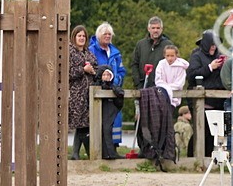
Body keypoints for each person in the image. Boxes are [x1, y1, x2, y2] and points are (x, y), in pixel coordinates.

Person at [89, 22, 126, 160]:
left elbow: (121, 70)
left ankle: (114, 149)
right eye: (105, 34)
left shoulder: (116, 52)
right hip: (100, 91)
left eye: (110, 34)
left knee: (115, 120)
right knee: (101, 121)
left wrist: (117, 81)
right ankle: (101, 152)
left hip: (114, 90)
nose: (108, 36)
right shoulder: (92, 50)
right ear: (99, 35)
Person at [187, 30, 227, 158]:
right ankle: (193, 159)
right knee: (200, 133)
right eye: (211, 44)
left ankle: (208, 159)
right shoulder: (196, 56)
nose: (214, 47)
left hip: (218, 101)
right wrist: (210, 67)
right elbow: (191, 76)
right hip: (201, 103)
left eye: (215, 45)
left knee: (213, 134)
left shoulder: (220, 56)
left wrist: (224, 66)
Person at [67, 25, 99, 159]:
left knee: (85, 124)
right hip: (75, 94)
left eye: (83, 36)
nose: (81, 38)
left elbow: (96, 68)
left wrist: (93, 71)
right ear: (74, 37)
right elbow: (67, 72)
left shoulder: (89, 52)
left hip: (88, 93)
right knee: (80, 124)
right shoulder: (69, 52)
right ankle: (85, 153)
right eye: (79, 35)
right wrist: (83, 70)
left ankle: (76, 154)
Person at [127, 16, 172, 90]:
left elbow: (173, 65)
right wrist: (137, 83)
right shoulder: (140, 44)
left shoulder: (168, 45)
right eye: (153, 28)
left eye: (158, 28)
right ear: (149, 29)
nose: (155, 30)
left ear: (162, 29)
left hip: (162, 87)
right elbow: (134, 64)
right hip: (143, 86)